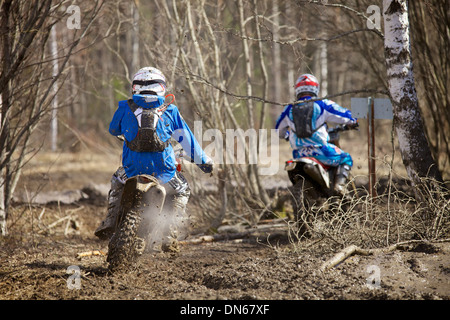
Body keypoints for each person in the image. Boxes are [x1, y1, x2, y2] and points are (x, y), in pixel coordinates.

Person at [95, 67, 213, 250]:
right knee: (182, 189)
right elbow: (189, 142)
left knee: (116, 180)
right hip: (163, 173)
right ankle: (170, 232)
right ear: (161, 87)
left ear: (135, 87)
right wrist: (203, 162)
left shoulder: (124, 107)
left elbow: (113, 130)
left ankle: (110, 220)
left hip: (131, 171)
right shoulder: (170, 111)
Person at [275, 73, 358, 194]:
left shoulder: (289, 108)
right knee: (346, 158)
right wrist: (353, 121)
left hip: (299, 154)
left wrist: (286, 136)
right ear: (315, 88)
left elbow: (278, 130)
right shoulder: (322, 103)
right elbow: (343, 115)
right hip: (321, 151)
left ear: (297, 89)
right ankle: (339, 186)